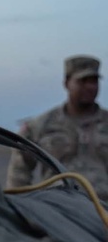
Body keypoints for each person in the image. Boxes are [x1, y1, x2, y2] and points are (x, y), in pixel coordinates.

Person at [6, 55, 108, 200]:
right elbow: (19, 172)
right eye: (83, 81)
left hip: (103, 211)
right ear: (66, 83)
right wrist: (19, 208)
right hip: (57, 211)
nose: (90, 87)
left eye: (94, 81)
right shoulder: (41, 126)